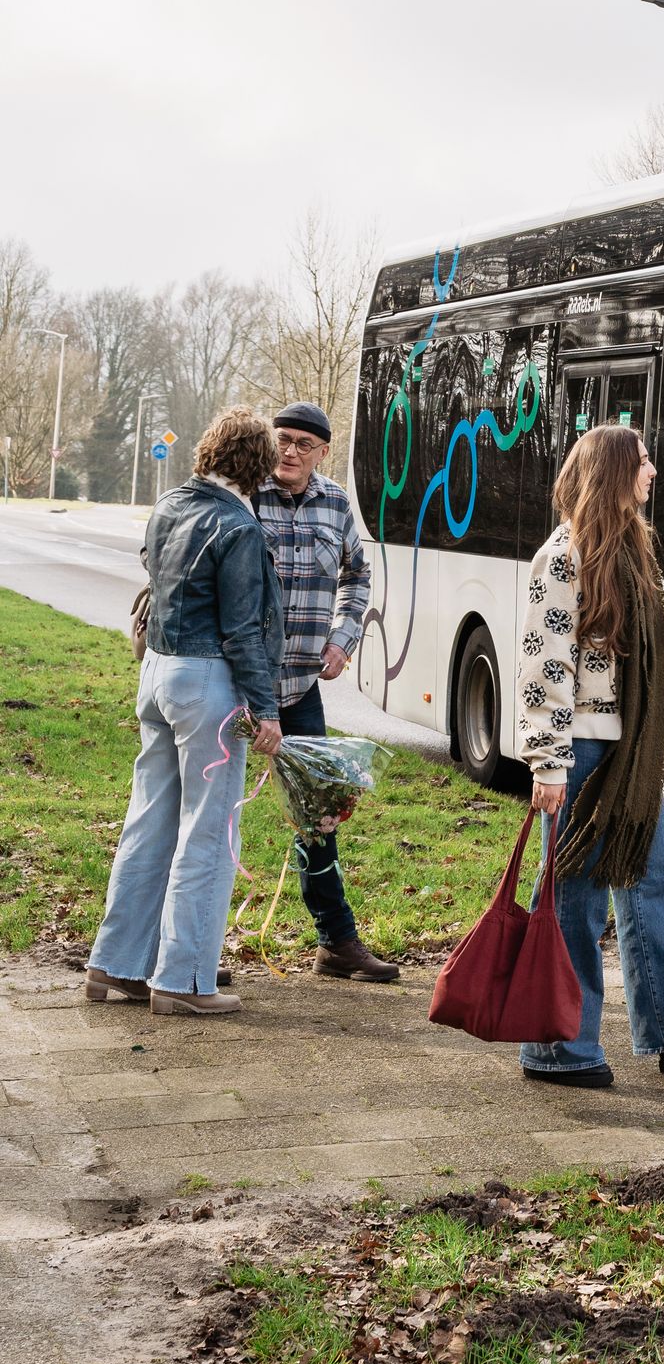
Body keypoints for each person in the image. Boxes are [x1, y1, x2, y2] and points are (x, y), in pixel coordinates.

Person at [517, 422, 664, 1089]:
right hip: (584, 752)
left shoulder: (630, 552)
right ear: (616, 473)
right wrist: (548, 762)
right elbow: (546, 665)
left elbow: (632, 654)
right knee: (577, 901)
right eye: (644, 461)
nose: (652, 471)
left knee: (657, 886)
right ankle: (557, 1050)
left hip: (627, 755)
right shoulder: (562, 557)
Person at [84, 408, 286, 1018]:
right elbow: (244, 630)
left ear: (210, 450)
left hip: (157, 673)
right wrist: (266, 708)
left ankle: (114, 964)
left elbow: (153, 568)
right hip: (207, 686)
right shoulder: (240, 528)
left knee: (148, 822)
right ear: (260, 462)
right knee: (209, 831)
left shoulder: (171, 503)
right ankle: (185, 980)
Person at [252, 401, 396, 982]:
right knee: (213, 816)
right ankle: (192, 946)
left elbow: (357, 577)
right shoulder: (246, 493)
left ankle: (337, 942)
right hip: (237, 688)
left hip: (300, 688)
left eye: (302, 445)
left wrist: (343, 638)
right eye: (282, 440)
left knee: (319, 813)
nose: (289, 452)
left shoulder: (335, 503)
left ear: (322, 452)